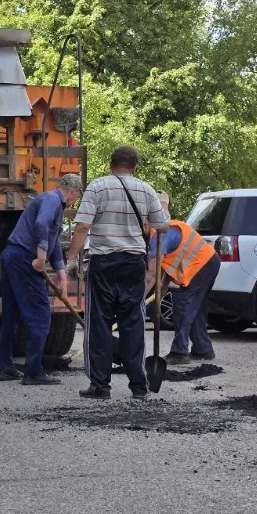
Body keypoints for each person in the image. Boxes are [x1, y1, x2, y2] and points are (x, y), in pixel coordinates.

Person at [66, 146, 170, 399]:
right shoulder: (145, 189)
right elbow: (163, 225)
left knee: (99, 325)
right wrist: (159, 206)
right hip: (134, 263)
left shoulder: (98, 187)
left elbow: (82, 227)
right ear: (134, 167)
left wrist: (71, 259)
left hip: (104, 263)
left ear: (111, 164)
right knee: (133, 323)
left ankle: (100, 386)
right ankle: (139, 386)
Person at [0, 174, 84, 385]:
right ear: (73, 191)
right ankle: (33, 372)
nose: (75, 200)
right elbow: (41, 224)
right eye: (78, 196)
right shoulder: (52, 200)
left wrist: (62, 280)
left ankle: (6, 367)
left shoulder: (51, 203)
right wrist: (40, 256)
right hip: (25, 259)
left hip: (12, 255)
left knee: (12, 314)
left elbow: (53, 244)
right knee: (40, 315)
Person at [145, 192, 220, 365]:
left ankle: (179, 352)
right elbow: (169, 266)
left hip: (204, 265)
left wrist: (139, 300)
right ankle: (203, 349)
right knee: (196, 307)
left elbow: (151, 273)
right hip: (208, 262)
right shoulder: (164, 231)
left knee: (183, 303)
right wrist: (162, 288)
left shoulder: (160, 235)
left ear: (146, 221)